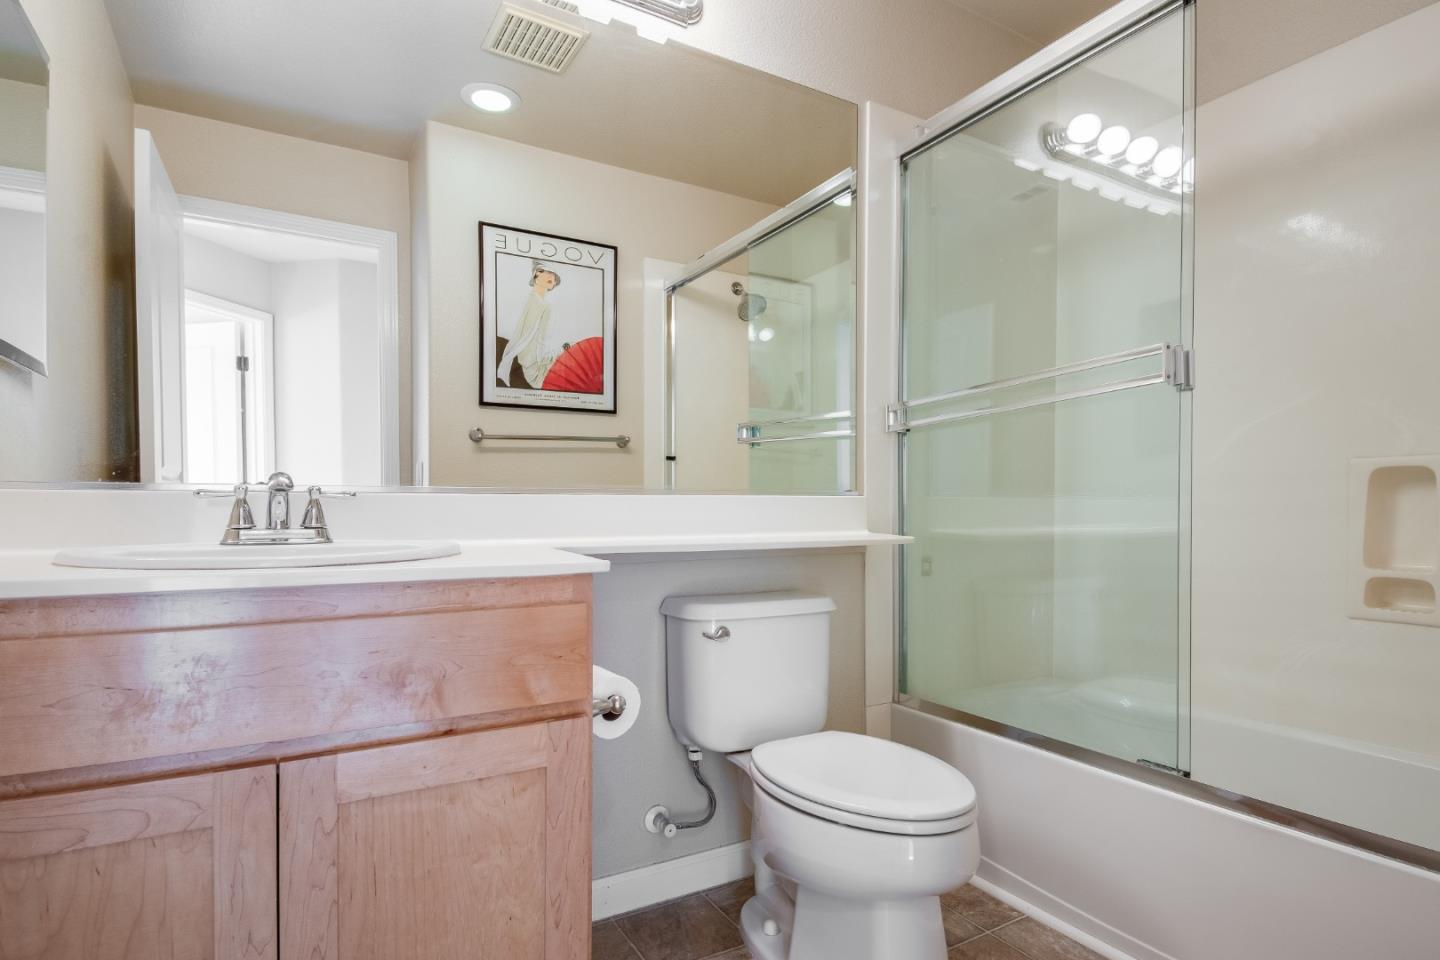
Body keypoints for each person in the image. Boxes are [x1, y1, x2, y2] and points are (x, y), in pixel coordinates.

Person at [498, 260, 562, 388]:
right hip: (531, 358)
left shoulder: (544, 305)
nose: (552, 277)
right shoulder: (533, 302)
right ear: (536, 275)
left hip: (538, 355)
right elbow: (526, 333)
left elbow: (544, 336)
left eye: (554, 277)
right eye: (548, 272)